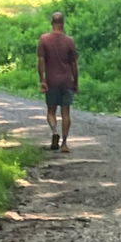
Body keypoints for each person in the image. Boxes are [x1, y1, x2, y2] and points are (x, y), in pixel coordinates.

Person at [37, 10, 79, 150]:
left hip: (51, 81)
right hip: (66, 81)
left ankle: (55, 132)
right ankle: (65, 143)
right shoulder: (69, 41)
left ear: (52, 23)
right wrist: (76, 82)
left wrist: (42, 79)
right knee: (66, 113)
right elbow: (74, 64)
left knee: (51, 111)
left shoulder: (44, 39)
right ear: (63, 23)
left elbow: (41, 61)